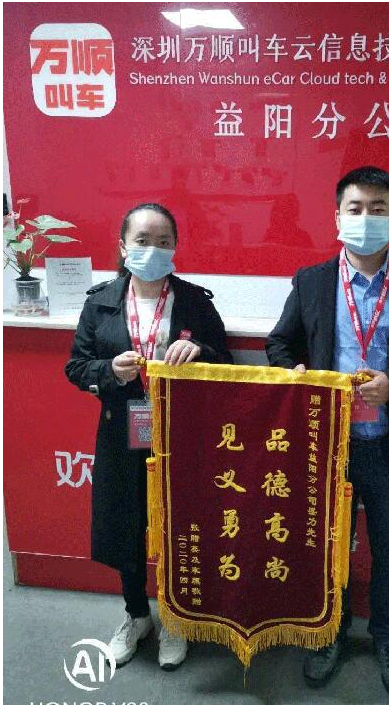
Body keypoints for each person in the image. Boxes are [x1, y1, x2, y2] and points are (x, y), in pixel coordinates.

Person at [266, 166, 389, 701]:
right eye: (355, 208)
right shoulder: (312, 281)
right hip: (327, 448)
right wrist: (295, 376)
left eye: (379, 209)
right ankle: (330, 633)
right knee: (330, 549)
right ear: (337, 218)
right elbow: (279, 343)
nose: (366, 218)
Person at [65, 203, 232, 670]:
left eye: (163, 242)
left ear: (175, 248)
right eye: (142, 241)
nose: (153, 250)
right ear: (123, 247)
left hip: (183, 436)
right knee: (127, 525)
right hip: (123, 432)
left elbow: (224, 361)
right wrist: (109, 370)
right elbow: (76, 367)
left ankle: (175, 619)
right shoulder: (100, 302)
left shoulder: (195, 302)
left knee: (178, 527)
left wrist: (198, 351)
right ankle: (136, 616)